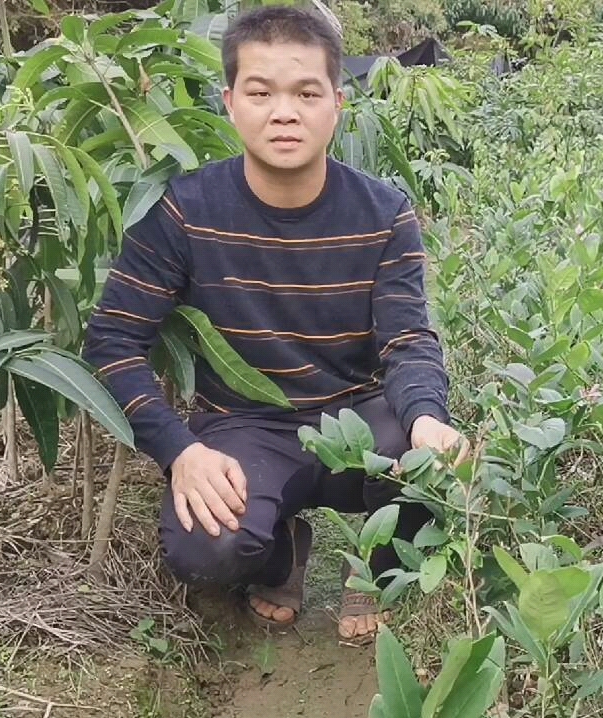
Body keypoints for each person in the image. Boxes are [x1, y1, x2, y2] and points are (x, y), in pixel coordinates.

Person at [80, 4, 468, 645]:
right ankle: (283, 549)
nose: (283, 112)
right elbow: (114, 341)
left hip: (360, 417)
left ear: (336, 103)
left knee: (427, 461)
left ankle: (377, 569)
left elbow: (407, 339)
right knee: (207, 549)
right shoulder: (183, 210)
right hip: (245, 426)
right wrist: (180, 451)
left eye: (305, 92)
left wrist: (427, 416)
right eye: (261, 92)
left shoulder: (383, 211)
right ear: (230, 101)